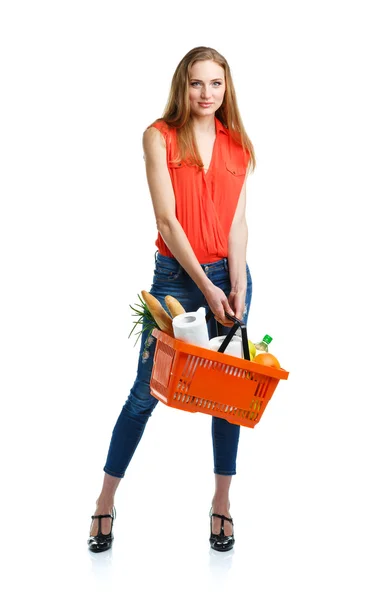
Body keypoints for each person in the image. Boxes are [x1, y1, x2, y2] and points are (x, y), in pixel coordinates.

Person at [88, 46, 256, 553]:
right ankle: (103, 502)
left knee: (227, 397)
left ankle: (222, 504)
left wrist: (238, 283)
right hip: (177, 284)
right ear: (182, 86)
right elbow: (166, 221)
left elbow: (237, 223)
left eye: (217, 85)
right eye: (197, 84)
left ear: (228, 90)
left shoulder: (238, 145)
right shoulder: (158, 137)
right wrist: (205, 287)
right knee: (145, 394)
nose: (207, 94)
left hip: (229, 277)